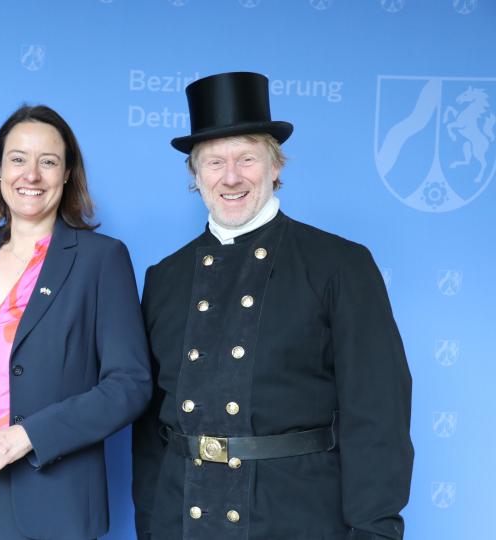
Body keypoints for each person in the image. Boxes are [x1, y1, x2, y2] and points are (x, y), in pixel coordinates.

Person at [132, 72, 414, 539]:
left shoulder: (339, 265)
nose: (231, 177)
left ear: (276, 166)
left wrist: (375, 532)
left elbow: (377, 417)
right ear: (195, 176)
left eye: (247, 158)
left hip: (296, 519)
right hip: (182, 521)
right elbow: (149, 436)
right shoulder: (164, 279)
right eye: (214, 162)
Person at [0, 104, 151, 540]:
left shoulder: (101, 259)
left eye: (48, 161)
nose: (31, 175)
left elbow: (129, 385)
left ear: (67, 174)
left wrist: (28, 436)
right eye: (18, 159)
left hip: (48, 488)